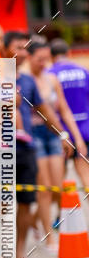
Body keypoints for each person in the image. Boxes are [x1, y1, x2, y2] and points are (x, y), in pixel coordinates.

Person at [0, 32, 73, 258]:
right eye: (18, 47)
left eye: (26, 48)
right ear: (5, 50)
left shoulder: (27, 80)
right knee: (0, 202)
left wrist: (63, 134)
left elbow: (46, 111)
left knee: (27, 201)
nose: (23, 52)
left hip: (26, 147)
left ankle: (19, 254)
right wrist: (5, 97)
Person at [21, 38, 86, 251]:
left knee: (57, 186)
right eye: (39, 59)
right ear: (29, 57)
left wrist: (74, 137)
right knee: (45, 188)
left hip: (54, 133)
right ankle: (49, 237)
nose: (44, 63)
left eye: (46, 59)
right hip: (35, 135)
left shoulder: (52, 79)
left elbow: (64, 110)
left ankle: (33, 221)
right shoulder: (24, 80)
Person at [50, 38, 89, 190]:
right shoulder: (84, 72)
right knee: (86, 178)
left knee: (56, 183)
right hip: (85, 131)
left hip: (61, 133)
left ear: (52, 56)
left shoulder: (49, 75)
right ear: (69, 53)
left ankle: (57, 213)